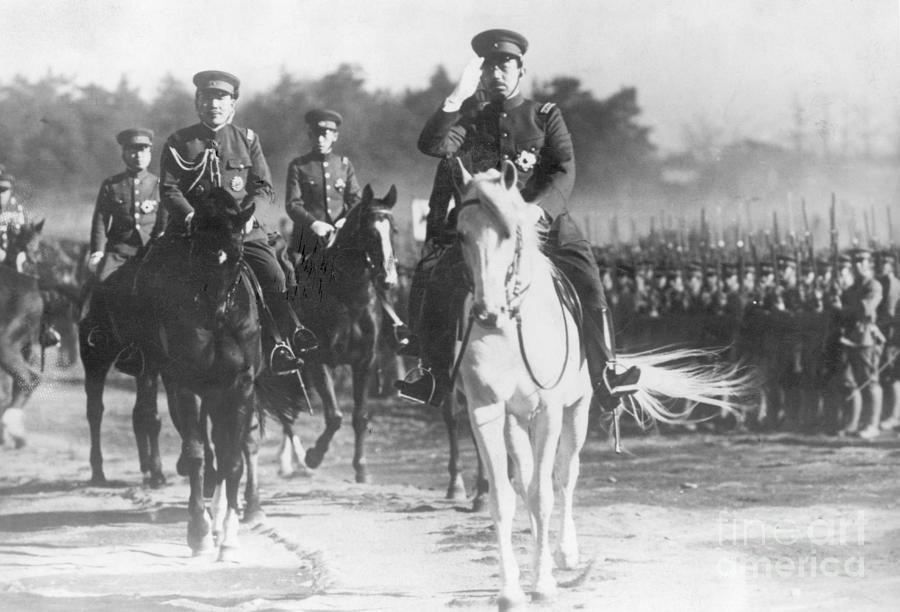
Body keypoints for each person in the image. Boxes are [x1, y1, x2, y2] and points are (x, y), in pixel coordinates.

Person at [396, 29, 637, 408]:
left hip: (543, 222)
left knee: (586, 275)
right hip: (488, 229)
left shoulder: (543, 115)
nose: (497, 72)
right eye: (489, 66)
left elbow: (564, 169)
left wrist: (538, 210)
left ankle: (606, 370)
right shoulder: (471, 118)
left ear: (521, 69)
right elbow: (433, 146)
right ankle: (432, 374)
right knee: (439, 277)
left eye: (505, 64)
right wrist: (456, 97)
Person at [159, 70, 308, 374]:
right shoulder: (178, 142)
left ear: (232, 105)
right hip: (191, 234)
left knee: (275, 276)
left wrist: (249, 217)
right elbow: (169, 188)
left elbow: (264, 187)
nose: (214, 104)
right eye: (207, 97)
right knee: (153, 276)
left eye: (221, 98)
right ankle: (152, 348)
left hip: (240, 232)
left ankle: (280, 344)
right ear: (197, 103)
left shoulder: (247, 140)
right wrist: (189, 215)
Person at [285, 109, 362, 269]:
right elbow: (293, 204)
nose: (320, 139)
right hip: (307, 242)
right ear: (309, 136)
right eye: (315, 134)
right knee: (295, 282)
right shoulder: (299, 166)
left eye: (325, 134)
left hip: (341, 240)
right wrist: (313, 224)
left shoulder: (344, 165)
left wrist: (346, 219)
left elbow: (356, 200)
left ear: (334, 136)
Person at [88, 128, 164, 281]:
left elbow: (164, 222)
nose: (138, 156)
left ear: (150, 154)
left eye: (143, 150)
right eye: (133, 151)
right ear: (124, 154)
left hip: (150, 253)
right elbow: (100, 221)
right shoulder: (112, 185)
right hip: (118, 252)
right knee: (102, 284)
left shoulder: (159, 185)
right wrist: (97, 252)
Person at [836, 248, 884, 438]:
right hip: (850, 338)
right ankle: (857, 422)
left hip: (865, 339)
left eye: (862, 262)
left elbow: (865, 309)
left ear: (869, 264)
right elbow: (842, 312)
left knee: (870, 381)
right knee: (854, 381)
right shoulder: (853, 288)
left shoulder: (873, 285)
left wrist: (846, 308)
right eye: (855, 263)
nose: (857, 266)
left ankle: (873, 423)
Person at [0, 169, 27, 263]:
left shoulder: (17, 211)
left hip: (11, 258)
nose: (0, 194)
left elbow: (23, 237)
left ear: (10, 191)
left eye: (3, 190)